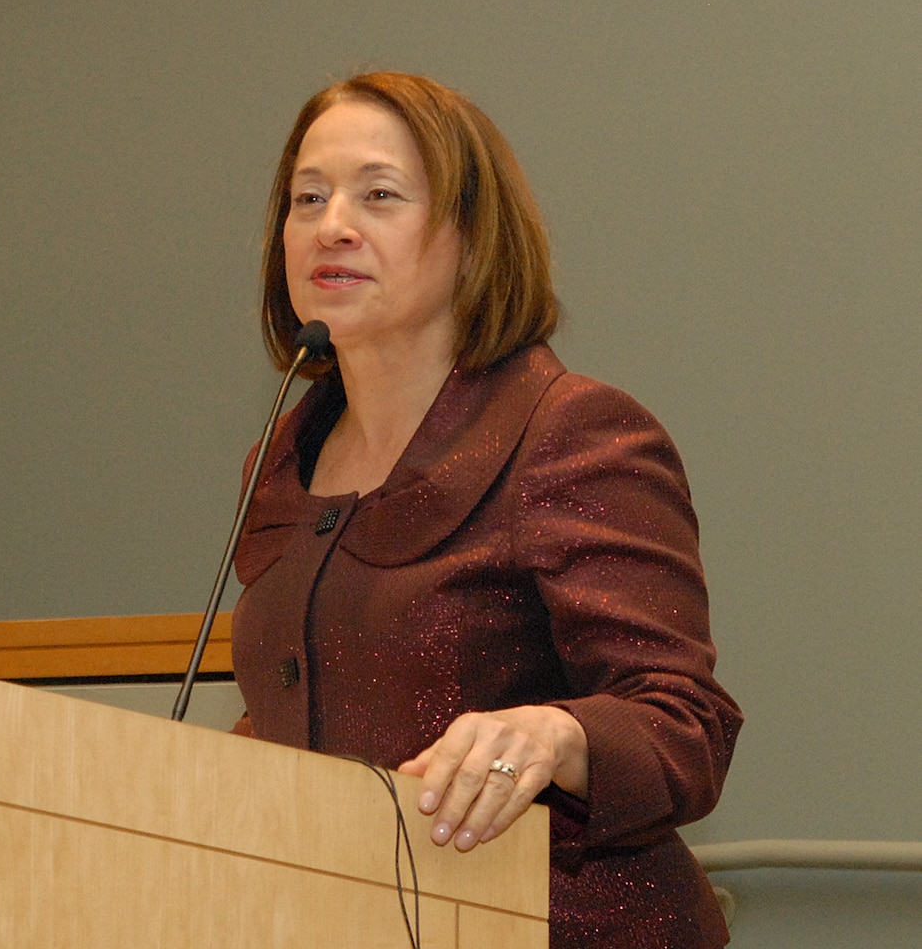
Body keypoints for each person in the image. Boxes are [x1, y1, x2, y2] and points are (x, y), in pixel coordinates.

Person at [228, 72, 742, 948]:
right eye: (307, 198)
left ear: (470, 236)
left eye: (379, 195)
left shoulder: (568, 432)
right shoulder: (283, 458)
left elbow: (686, 723)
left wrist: (555, 733)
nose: (332, 224)